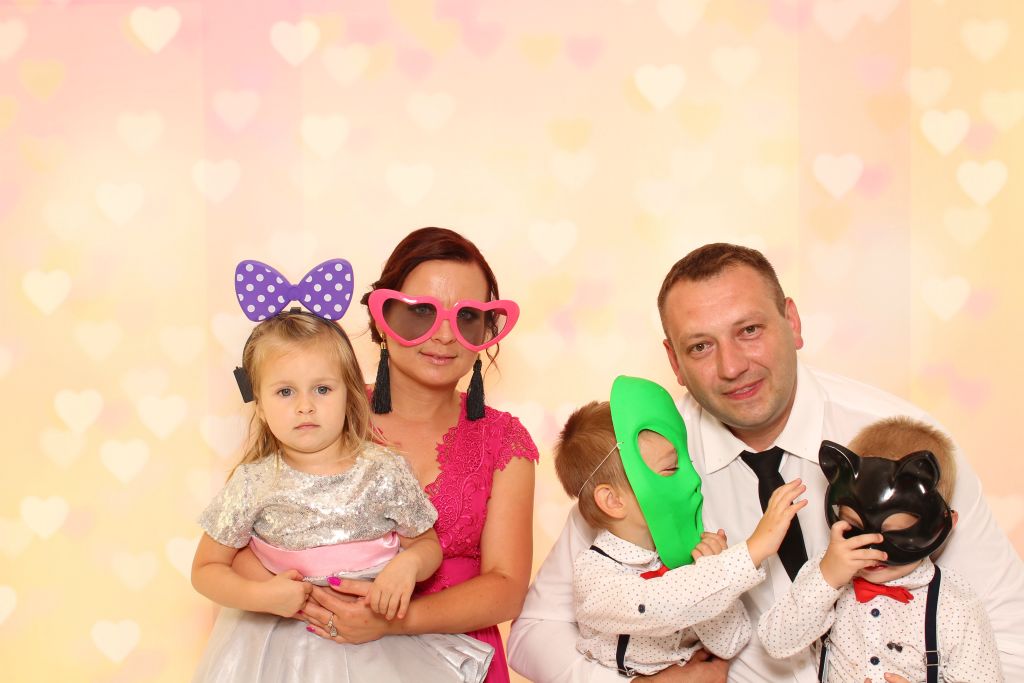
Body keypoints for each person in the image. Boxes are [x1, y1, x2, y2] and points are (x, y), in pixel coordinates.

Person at [508, 243, 1024, 682]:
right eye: (700, 346)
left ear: (792, 322)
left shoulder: (903, 442)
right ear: (674, 363)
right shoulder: (648, 461)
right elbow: (535, 632)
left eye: (750, 330)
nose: (732, 366)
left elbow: (1008, 628)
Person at [232, 229, 538, 683]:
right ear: (381, 319)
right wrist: (311, 604)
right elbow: (240, 543)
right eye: (421, 312)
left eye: (468, 317)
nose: (445, 335)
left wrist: (391, 621)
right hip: (320, 660)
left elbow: (506, 588)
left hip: (464, 665)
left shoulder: (504, 441)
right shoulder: (319, 415)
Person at [553, 376, 806, 677]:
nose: (692, 479)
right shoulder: (595, 576)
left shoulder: (680, 554)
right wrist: (748, 554)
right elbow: (657, 604)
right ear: (613, 500)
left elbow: (731, 643)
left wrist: (708, 569)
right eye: (670, 468)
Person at [759, 417, 1002, 683]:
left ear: (942, 525)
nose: (872, 547)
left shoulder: (955, 606)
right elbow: (776, 643)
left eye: (895, 532)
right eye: (854, 527)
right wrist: (826, 579)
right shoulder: (824, 575)